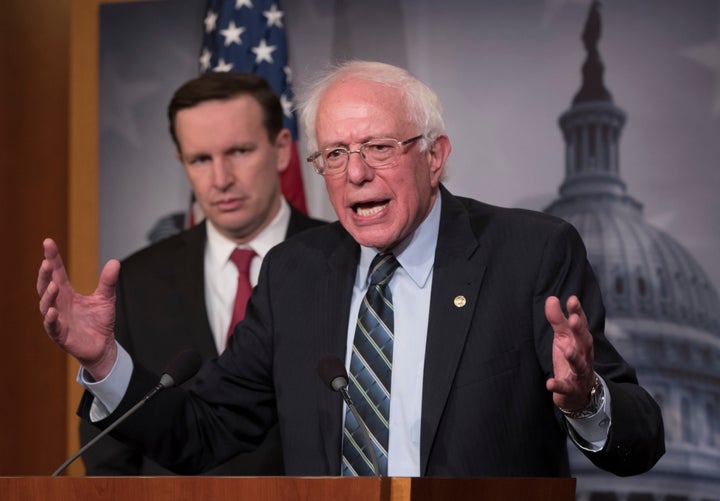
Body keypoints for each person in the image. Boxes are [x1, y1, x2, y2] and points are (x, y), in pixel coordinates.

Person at [38, 60, 664, 477]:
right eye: (334, 153)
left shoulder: (531, 253)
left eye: (378, 147)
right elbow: (205, 428)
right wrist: (104, 364)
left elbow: (643, 437)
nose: (356, 172)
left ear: (435, 156)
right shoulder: (295, 274)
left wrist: (586, 401)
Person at [78, 71, 325, 476]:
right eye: (200, 160)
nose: (221, 179)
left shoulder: (342, 261)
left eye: (240, 151)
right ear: (182, 164)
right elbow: (110, 460)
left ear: (282, 150)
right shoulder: (136, 280)